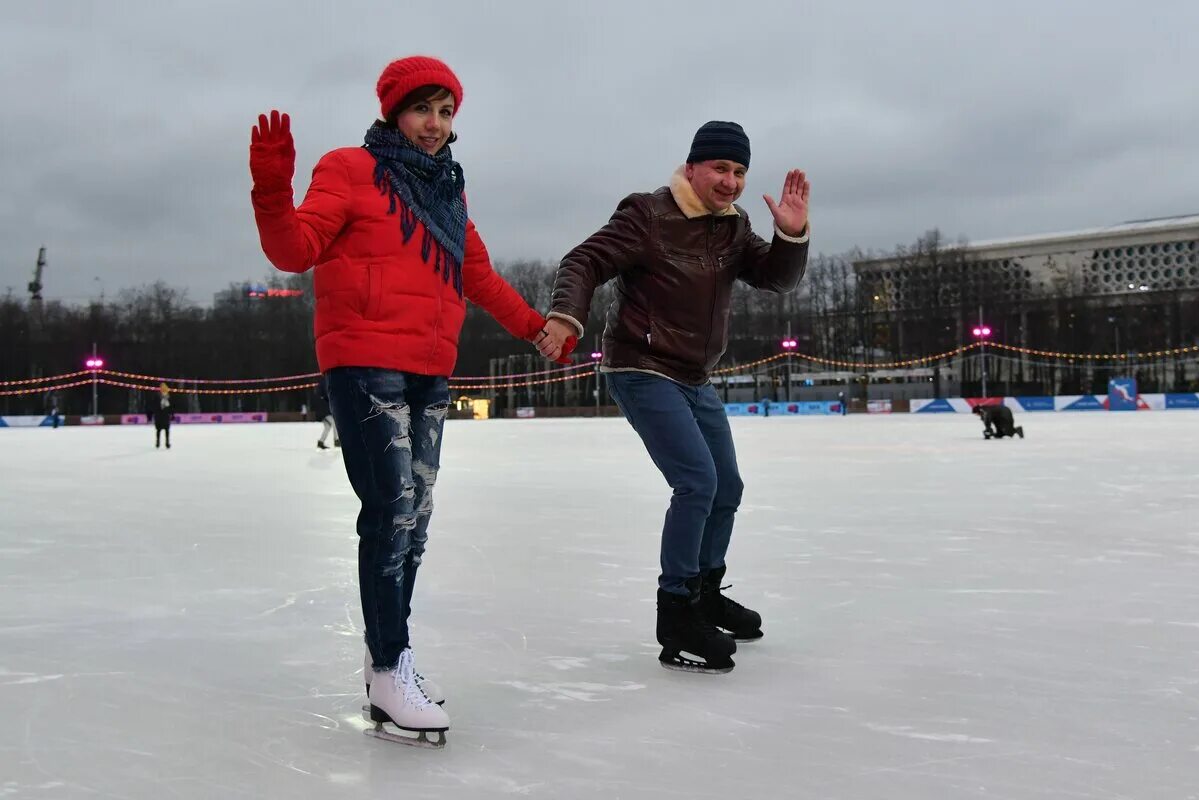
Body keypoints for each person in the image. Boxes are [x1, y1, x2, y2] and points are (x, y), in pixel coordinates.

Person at [250, 55, 573, 745]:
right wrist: (272, 190)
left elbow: (477, 274)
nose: (435, 125)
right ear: (394, 110)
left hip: (430, 368)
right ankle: (393, 664)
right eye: (423, 109)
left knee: (416, 521)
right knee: (392, 510)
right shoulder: (349, 169)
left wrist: (535, 328)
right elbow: (294, 249)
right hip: (364, 363)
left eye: (447, 111)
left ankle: (383, 660)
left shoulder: (447, 191)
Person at [536, 121, 809, 673]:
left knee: (726, 485)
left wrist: (792, 236)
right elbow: (583, 260)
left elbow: (776, 279)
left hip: (693, 375)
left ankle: (706, 591)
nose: (730, 182)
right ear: (691, 168)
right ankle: (677, 614)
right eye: (719, 169)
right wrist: (567, 314)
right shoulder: (648, 214)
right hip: (641, 366)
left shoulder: (733, 228)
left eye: (738, 172)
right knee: (697, 481)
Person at [313, 376, 339, 450]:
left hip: (323, 412)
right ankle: (336, 440)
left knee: (327, 427)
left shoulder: (323, 384)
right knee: (334, 423)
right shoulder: (325, 384)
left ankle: (321, 442)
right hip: (323, 412)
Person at [147, 383, 173, 449]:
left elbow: (171, 407)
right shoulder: (163, 396)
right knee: (163, 430)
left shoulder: (167, 396)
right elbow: (154, 405)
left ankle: (162, 443)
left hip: (162, 416)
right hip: (161, 415)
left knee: (161, 430)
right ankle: (163, 443)